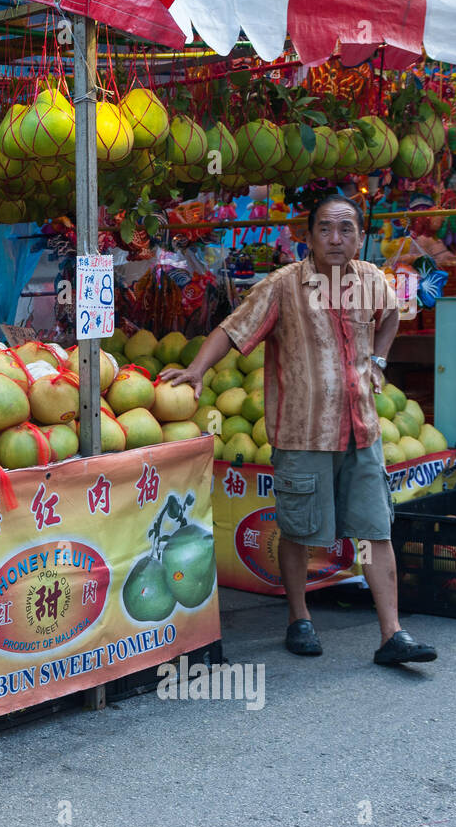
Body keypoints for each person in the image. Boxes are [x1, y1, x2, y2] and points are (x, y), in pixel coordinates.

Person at [159, 193, 437, 666]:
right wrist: (199, 370)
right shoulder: (283, 286)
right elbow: (233, 328)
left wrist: (379, 361)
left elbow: (392, 314)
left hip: (362, 431)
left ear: (360, 237)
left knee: (376, 531)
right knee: (298, 530)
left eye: (346, 229)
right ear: (307, 236)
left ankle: (392, 633)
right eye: (326, 228)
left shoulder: (371, 279)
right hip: (303, 432)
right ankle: (299, 616)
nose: (336, 238)